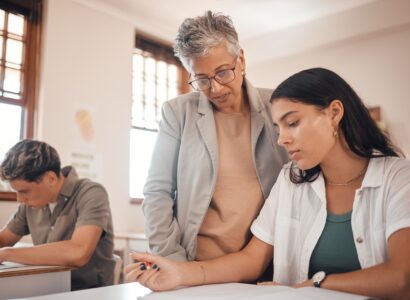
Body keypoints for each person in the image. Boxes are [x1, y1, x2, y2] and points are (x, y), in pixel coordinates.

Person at [125, 68, 410, 300]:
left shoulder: (398, 178)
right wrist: (180, 273)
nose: (281, 139)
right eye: (278, 128)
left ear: (334, 113)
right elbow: (252, 259)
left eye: (293, 123)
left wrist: (312, 286)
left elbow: (400, 278)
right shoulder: (291, 181)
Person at [142, 9, 287, 270]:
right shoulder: (177, 113)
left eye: (222, 73)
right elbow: (157, 192)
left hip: (267, 266)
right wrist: (174, 261)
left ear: (240, 60)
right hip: (196, 266)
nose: (216, 89)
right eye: (202, 79)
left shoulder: (278, 106)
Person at [0, 139, 115, 290]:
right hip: (48, 288)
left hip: (88, 293)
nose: (20, 199)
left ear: (51, 178)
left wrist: (7, 253)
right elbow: (3, 239)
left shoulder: (91, 193)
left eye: (24, 191)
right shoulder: (29, 204)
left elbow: (78, 252)